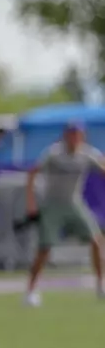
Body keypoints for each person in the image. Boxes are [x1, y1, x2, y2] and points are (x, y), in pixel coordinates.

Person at [24, 120, 105, 307]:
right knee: (44, 248)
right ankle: (30, 290)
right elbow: (33, 172)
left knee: (96, 240)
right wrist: (31, 202)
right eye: (71, 134)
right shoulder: (54, 154)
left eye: (78, 134)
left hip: (73, 203)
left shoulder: (88, 154)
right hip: (52, 204)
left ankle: (101, 285)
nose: (74, 138)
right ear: (65, 136)